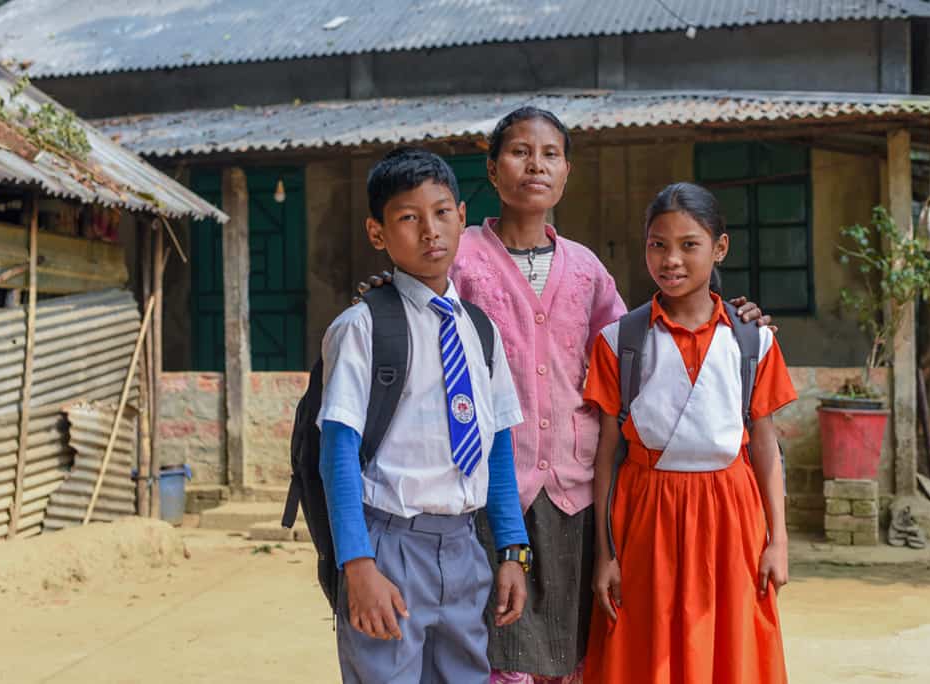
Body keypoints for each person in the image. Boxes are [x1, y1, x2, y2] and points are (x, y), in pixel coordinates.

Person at [358, 108, 772, 684]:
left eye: (550, 154)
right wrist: (385, 286)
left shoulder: (587, 269)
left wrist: (733, 315)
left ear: (567, 172)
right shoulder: (460, 256)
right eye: (519, 152)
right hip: (490, 490)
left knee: (573, 649)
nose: (535, 165)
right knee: (493, 648)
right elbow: (419, 297)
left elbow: (637, 353)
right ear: (492, 168)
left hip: (574, 493)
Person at [317, 147, 531, 684]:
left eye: (440, 213)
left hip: (464, 547)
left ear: (462, 217)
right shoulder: (361, 328)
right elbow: (337, 453)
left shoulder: (481, 332)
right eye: (408, 218)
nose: (429, 231)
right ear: (377, 233)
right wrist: (358, 564)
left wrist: (512, 549)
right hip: (389, 545)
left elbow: (497, 446)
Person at [583, 182, 795, 684]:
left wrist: (778, 540)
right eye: (658, 244)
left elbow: (765, 448)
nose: (671, 260)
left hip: (731, 516)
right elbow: (604, 456)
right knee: (648, 646)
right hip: (646, 513)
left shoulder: (752, 341)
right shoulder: (620, 341)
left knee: (729, 648)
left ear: (720, 248)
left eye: (689, 244)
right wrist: (604, 554)